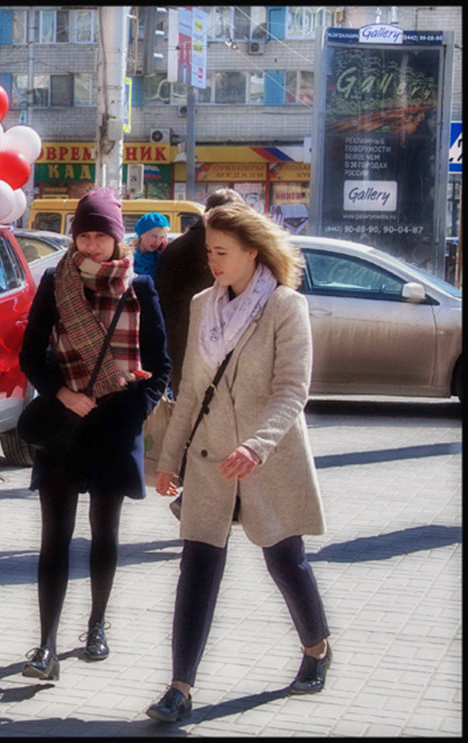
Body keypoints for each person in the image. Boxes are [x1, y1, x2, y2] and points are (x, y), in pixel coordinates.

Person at [145, 203, 330, 723]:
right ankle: (180, 688)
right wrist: (170, 459)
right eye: (208, 252)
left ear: (253, 252)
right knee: (197, 567)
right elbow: (191, 390)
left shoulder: (285, 307)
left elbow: (293, 390)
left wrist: (257, 444)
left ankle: (316, 648)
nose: (212, 262)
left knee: (284, 559)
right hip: (208, 459)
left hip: (265, 460)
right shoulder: (204, 304)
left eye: (222, 252)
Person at [18, 187, 170, 681]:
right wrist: (63, 395)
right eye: (82, 235)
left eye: (99, 236)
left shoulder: (139, 288)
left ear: (117, 239)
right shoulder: (54, 283)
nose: (89, 245)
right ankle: (44, 645)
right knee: (54, 539)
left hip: (114, 426)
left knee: (105, 534)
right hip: (64, 427)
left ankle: (98, 626)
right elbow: (29, 357)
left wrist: (132, 414)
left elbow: (162, 369)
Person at [153, 189, 246, 395]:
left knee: (186, 404)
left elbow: (159, 299)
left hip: (177, 344)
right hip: (219, 346)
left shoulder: (174, 248)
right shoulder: (230, 249)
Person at [130, 212, 169, 278]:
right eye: (154, 236)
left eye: (162, 237)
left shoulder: (159, 259)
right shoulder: (127, 254)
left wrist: (163, 256)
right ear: (142, 234)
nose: (157, 241)